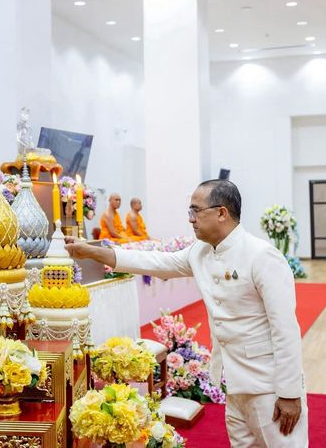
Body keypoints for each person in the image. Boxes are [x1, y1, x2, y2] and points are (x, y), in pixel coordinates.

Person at [66, 180, 307, 447]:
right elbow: (156, 261)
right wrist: (93, 252)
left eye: (195, 211)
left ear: (221, 213)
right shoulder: (200, 252)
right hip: (234, 384)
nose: (190, 220)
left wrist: (289, 393)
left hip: (268, 386)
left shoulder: (262, 256)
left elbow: (285, 330)